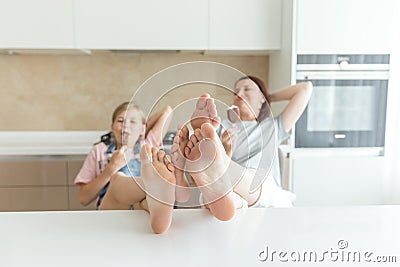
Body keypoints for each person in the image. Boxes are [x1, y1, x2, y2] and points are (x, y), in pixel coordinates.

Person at [189, 76, 313, 208]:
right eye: (236, 92)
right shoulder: (220, 127)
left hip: (263, 188)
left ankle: (220, 166)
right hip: (233, 189)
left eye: (247, 89)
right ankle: (220, 169)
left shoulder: (273, 127)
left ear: (262, 98)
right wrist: (226, 150)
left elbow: (305, 88)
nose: (239, 94)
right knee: (225, 194)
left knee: (242, 184)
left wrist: (267, 97)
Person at [74, 102, 172, 209]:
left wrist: (140, 129)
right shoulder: (99, 151)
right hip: (111, 212)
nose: (126, 126)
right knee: (119, 181)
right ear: (112, 127)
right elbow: (83, 199)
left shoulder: (147, 146)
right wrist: (112, 168)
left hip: (137, 213)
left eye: (133, 121)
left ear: (143, 129)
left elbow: (167, 111)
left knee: (143, 201)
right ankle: (157, 191)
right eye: (121, 121)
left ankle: (157, 201)